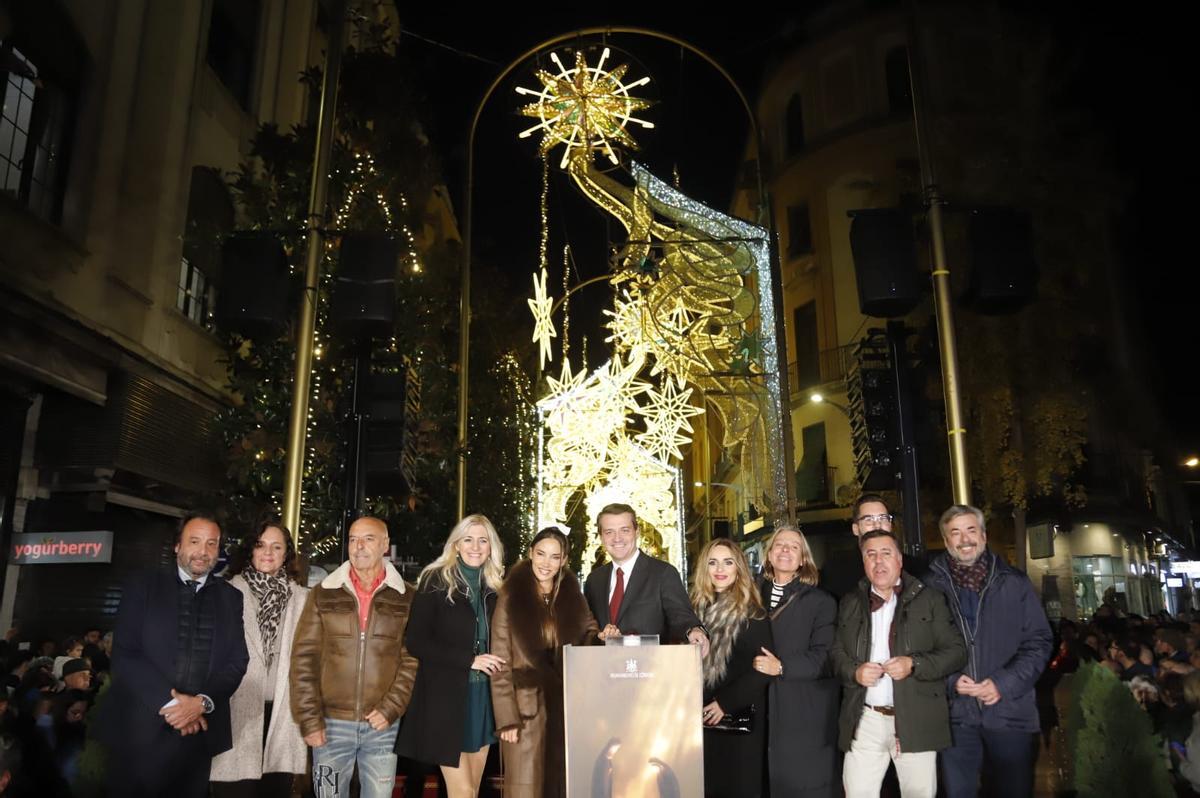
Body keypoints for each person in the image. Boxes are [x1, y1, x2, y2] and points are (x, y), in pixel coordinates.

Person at [96, 511, 250, 797]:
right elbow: (126, 653)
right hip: (138, 731)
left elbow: (237, 661)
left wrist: (201, 704)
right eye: (194, 541)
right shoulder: (142, 586)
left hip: (198, 736)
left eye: (211, 544)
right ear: (178, 545)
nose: (202, 552)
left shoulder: (230, 598)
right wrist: (174, 706)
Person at [925, 505, 1052, 798]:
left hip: (1010, 712)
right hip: (955, 715)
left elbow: (1039, 641)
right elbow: (921, 649)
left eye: (971, 530)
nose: (964, 539)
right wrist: (950, 680)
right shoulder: (930, 588)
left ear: (983, 536)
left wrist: (1002, 684)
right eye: (955, 533)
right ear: (946, 542)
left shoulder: (1015, 583)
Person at [830, 530, 966, 798]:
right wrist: (855, 672)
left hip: (915, 717)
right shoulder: (850, 602)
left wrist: (914, 664)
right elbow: (836, 653)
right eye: (871, 555)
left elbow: (956, 652)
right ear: (863, 561)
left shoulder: (930, 600)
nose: (878, 561)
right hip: (864, 719)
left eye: (886, 553)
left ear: (900, 560)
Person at [291, 516, 417, 798]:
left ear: (385, 545)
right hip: (330, 725)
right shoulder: (323, 594)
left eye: (368, 539)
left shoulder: (407, 596)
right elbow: (304, 659)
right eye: (352, 539)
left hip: (383, 725)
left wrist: (391, 708)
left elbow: (412, 659)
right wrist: (310, 720)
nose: (358, 546)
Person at [396, 514, 506, 798]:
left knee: (473, 790)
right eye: (468, 539)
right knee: (462, 791)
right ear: (456, 544)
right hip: (447, 700)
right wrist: (469, 659)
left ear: (491, 546)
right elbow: (416, 642)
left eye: (483, 540)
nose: (475, 546)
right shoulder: (435, 579)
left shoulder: (495, 587)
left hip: (484, 699)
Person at [491, 527, 598, 798]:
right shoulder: (511, 597)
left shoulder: (572, 595)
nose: (546, 563)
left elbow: (588, 633)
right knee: (524, 788)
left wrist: (602, 636)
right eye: (541, 554)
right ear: (530, 554)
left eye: (554, 557)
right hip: (525, 711)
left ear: (563, 560)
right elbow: (500, 659)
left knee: (563, 786)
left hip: (565, 708)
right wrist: (507, 719)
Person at [211, 518, 311, 797]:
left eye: (276, 547)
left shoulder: (303, 600)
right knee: (234, 790)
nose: (268, 552)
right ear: (250, 550)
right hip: (235, 711)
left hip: (282, 714)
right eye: (260, 545)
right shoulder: (225, 591)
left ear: (286, 554)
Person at [751, 525, 839, 798]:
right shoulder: (748, 597)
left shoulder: (821, 601)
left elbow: (826, 657)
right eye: (779, 544)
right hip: (758, 709)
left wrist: (782, 667)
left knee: (802, 784)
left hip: (802, 710)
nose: (785, 550)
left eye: (794, 546)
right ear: (769, 555)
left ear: (803, 559)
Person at [693, 537, 773, 798]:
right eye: (713, 562)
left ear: (738, 568)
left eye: (728, 562)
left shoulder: (752, 611)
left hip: (739, 719)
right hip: (701, 719)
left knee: (738, 787)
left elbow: (763, 669)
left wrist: (724, 703)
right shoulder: (694, 610)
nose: (720, 569)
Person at [582, 503, 708, 653]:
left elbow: (681, 616)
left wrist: (693, 631)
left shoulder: (663, 573)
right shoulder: (594, 580)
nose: (617, 538)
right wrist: (600, 636)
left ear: (637, 532)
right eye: (609, 532)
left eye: (625, 530)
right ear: (601, 537)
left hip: (650, 670)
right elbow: (588, 628)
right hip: (605, 671)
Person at [822, 494, 896, 598]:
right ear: (855, 529)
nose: (877, 526)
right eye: (869, 520)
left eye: (883, 518)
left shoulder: (912, 569)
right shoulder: (837, 569)